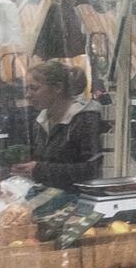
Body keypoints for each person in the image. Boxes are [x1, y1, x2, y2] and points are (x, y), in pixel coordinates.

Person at [18, 59, 104, 190]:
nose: (27, 95)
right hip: (47, 196)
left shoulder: (85, 119)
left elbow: (91, 170)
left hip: (77, 199)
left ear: (58, 87)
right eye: (27, 89)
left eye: (34, 88)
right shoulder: (41, 120)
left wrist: (40, 170)